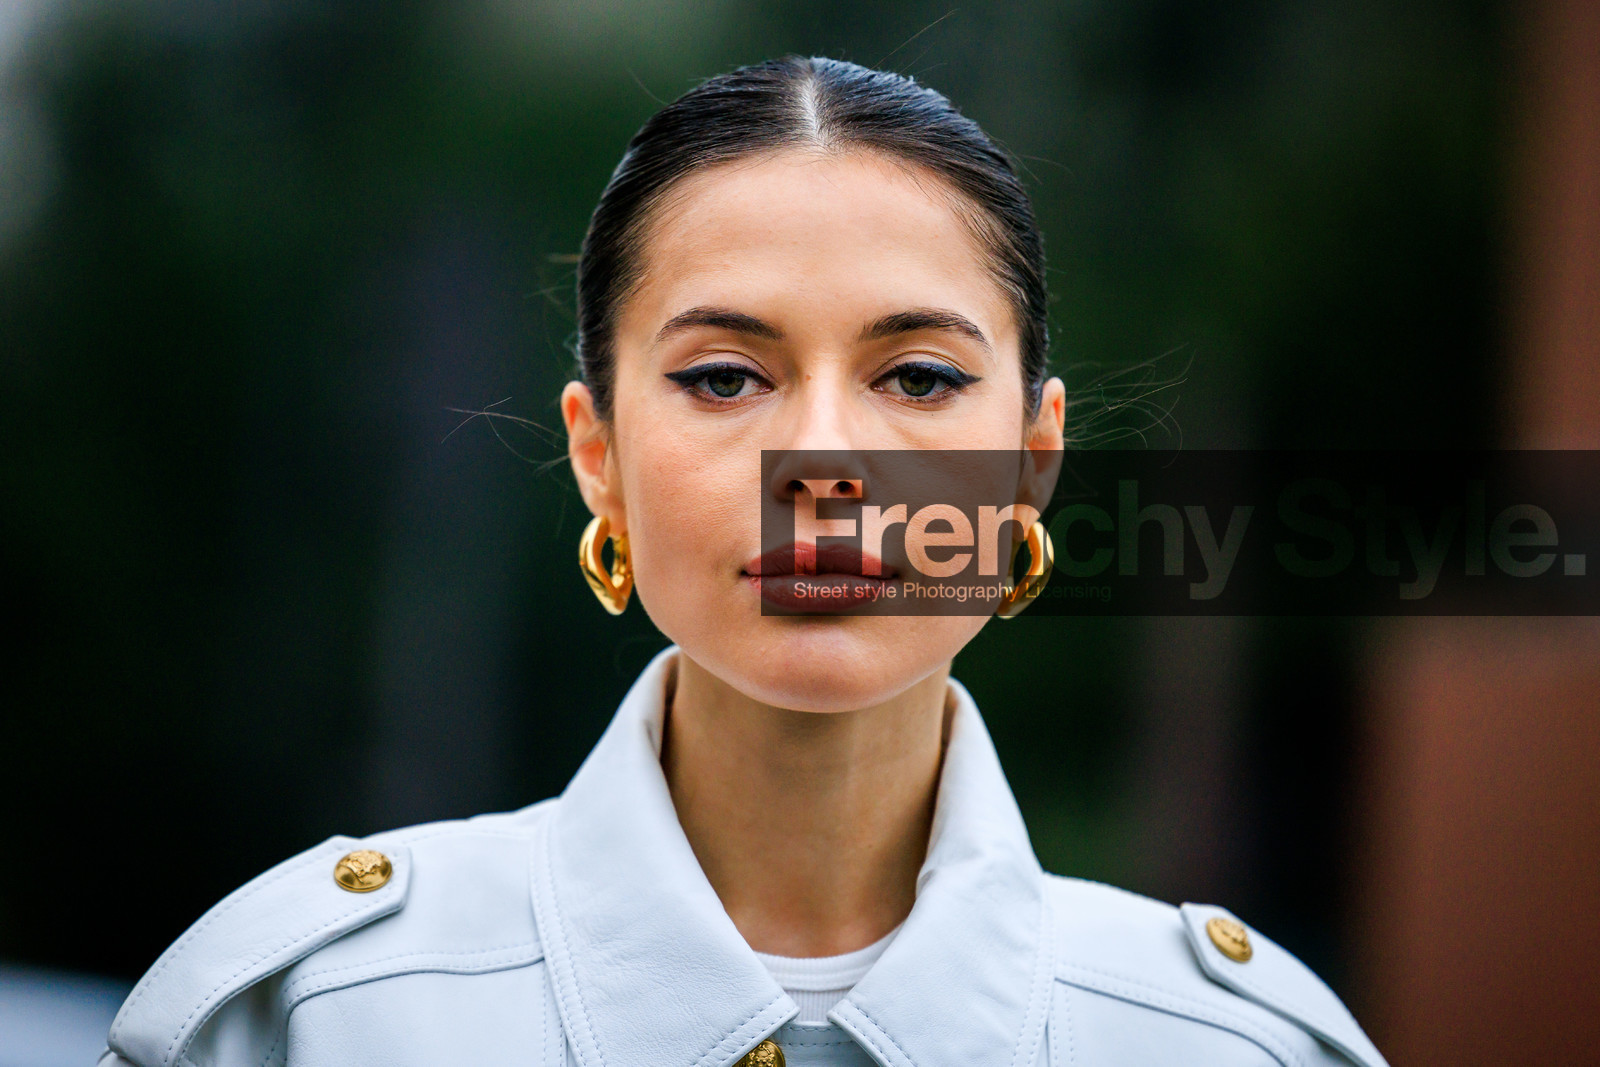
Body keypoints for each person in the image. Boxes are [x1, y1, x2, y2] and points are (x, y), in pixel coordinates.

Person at [98, 57, 1387, 1067]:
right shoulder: (311, 1024)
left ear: (1030, 466)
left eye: (920, 378)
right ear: (597, 452)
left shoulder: (1236, 1045)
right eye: (724, 377)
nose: (822, 458)